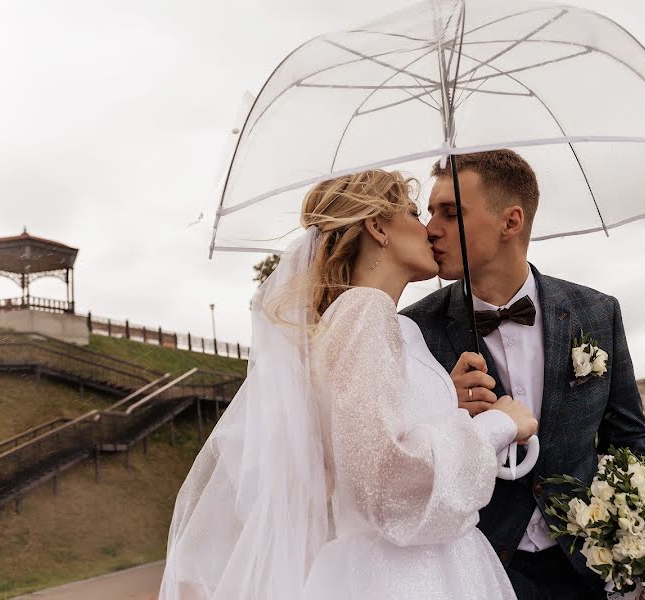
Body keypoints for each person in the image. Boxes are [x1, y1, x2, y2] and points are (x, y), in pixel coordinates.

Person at [158, 169, 538, 599]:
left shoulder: (384, 324)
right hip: (407, 576)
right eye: (414, 213)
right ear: (377, 228)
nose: (430, 229)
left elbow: (358, 440)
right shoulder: (364, 311)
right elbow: (383, 481)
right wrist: (498, 426)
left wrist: (444, 400)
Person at [402, 150, 645, 599]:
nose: (431, 229)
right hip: (477, 570)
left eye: (451, 212)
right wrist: (445, 408)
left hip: (589, 568)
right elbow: (399, 466)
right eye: (430, 213)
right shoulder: (413, 330)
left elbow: (631, 441)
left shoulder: (596, 313)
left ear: (511, 222)